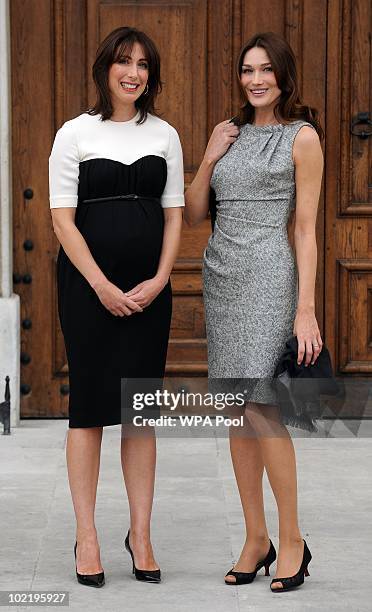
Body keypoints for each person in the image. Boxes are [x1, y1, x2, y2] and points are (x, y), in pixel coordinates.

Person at [184, 31, 324, 593]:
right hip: (222, 278)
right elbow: (195, 212)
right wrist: (210, 154)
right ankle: (255, 538)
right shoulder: (230, 134)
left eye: (266, 70)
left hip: (270, 277)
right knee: (236, 414)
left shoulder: (303, 137)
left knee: (263, 409)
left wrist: (306, 308)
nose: (256, 79)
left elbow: (308, 228)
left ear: (284, 77)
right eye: (247, 70)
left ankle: (292, 539)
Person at [49, 26, 184, 586]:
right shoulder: (73, 133)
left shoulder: (166, 135)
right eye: (125, 62)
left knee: (140, 412)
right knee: (89, 410)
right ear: (106, 68)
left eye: (144, 64)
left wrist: (159, 278)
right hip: (88, 287)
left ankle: (142, 533)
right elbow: (61, 218)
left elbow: (174, 213)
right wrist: (101, 284)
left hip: (149, 290)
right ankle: (86, 534)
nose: (134, 73)